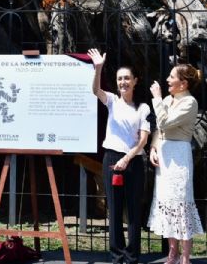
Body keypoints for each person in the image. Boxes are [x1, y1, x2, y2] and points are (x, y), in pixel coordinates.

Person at [88, 48, 149, 264]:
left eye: (127, 79)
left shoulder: (142, 108)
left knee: (133, 210)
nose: (123, 82)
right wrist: (98, 68)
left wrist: (127, 158)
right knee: (113, 209)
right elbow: (96, 90)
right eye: (120, 79)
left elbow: (143, 140)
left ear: (135, 81)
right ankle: (117, 255)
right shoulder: (112, 100)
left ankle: (132, 256)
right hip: (111, 160)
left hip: (133, 162)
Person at [147, 64, 203, 264]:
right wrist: (153, 147)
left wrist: (156, 98)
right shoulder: (168, 100)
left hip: (179, 155)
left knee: (181, 204)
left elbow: (164, 122)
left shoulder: (189, 102)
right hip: (164, 153)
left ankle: (185, 257)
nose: (168, 80)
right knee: (167, 204)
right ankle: (172, 253)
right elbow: (158, 130)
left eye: (172, 77)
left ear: (183, 83)